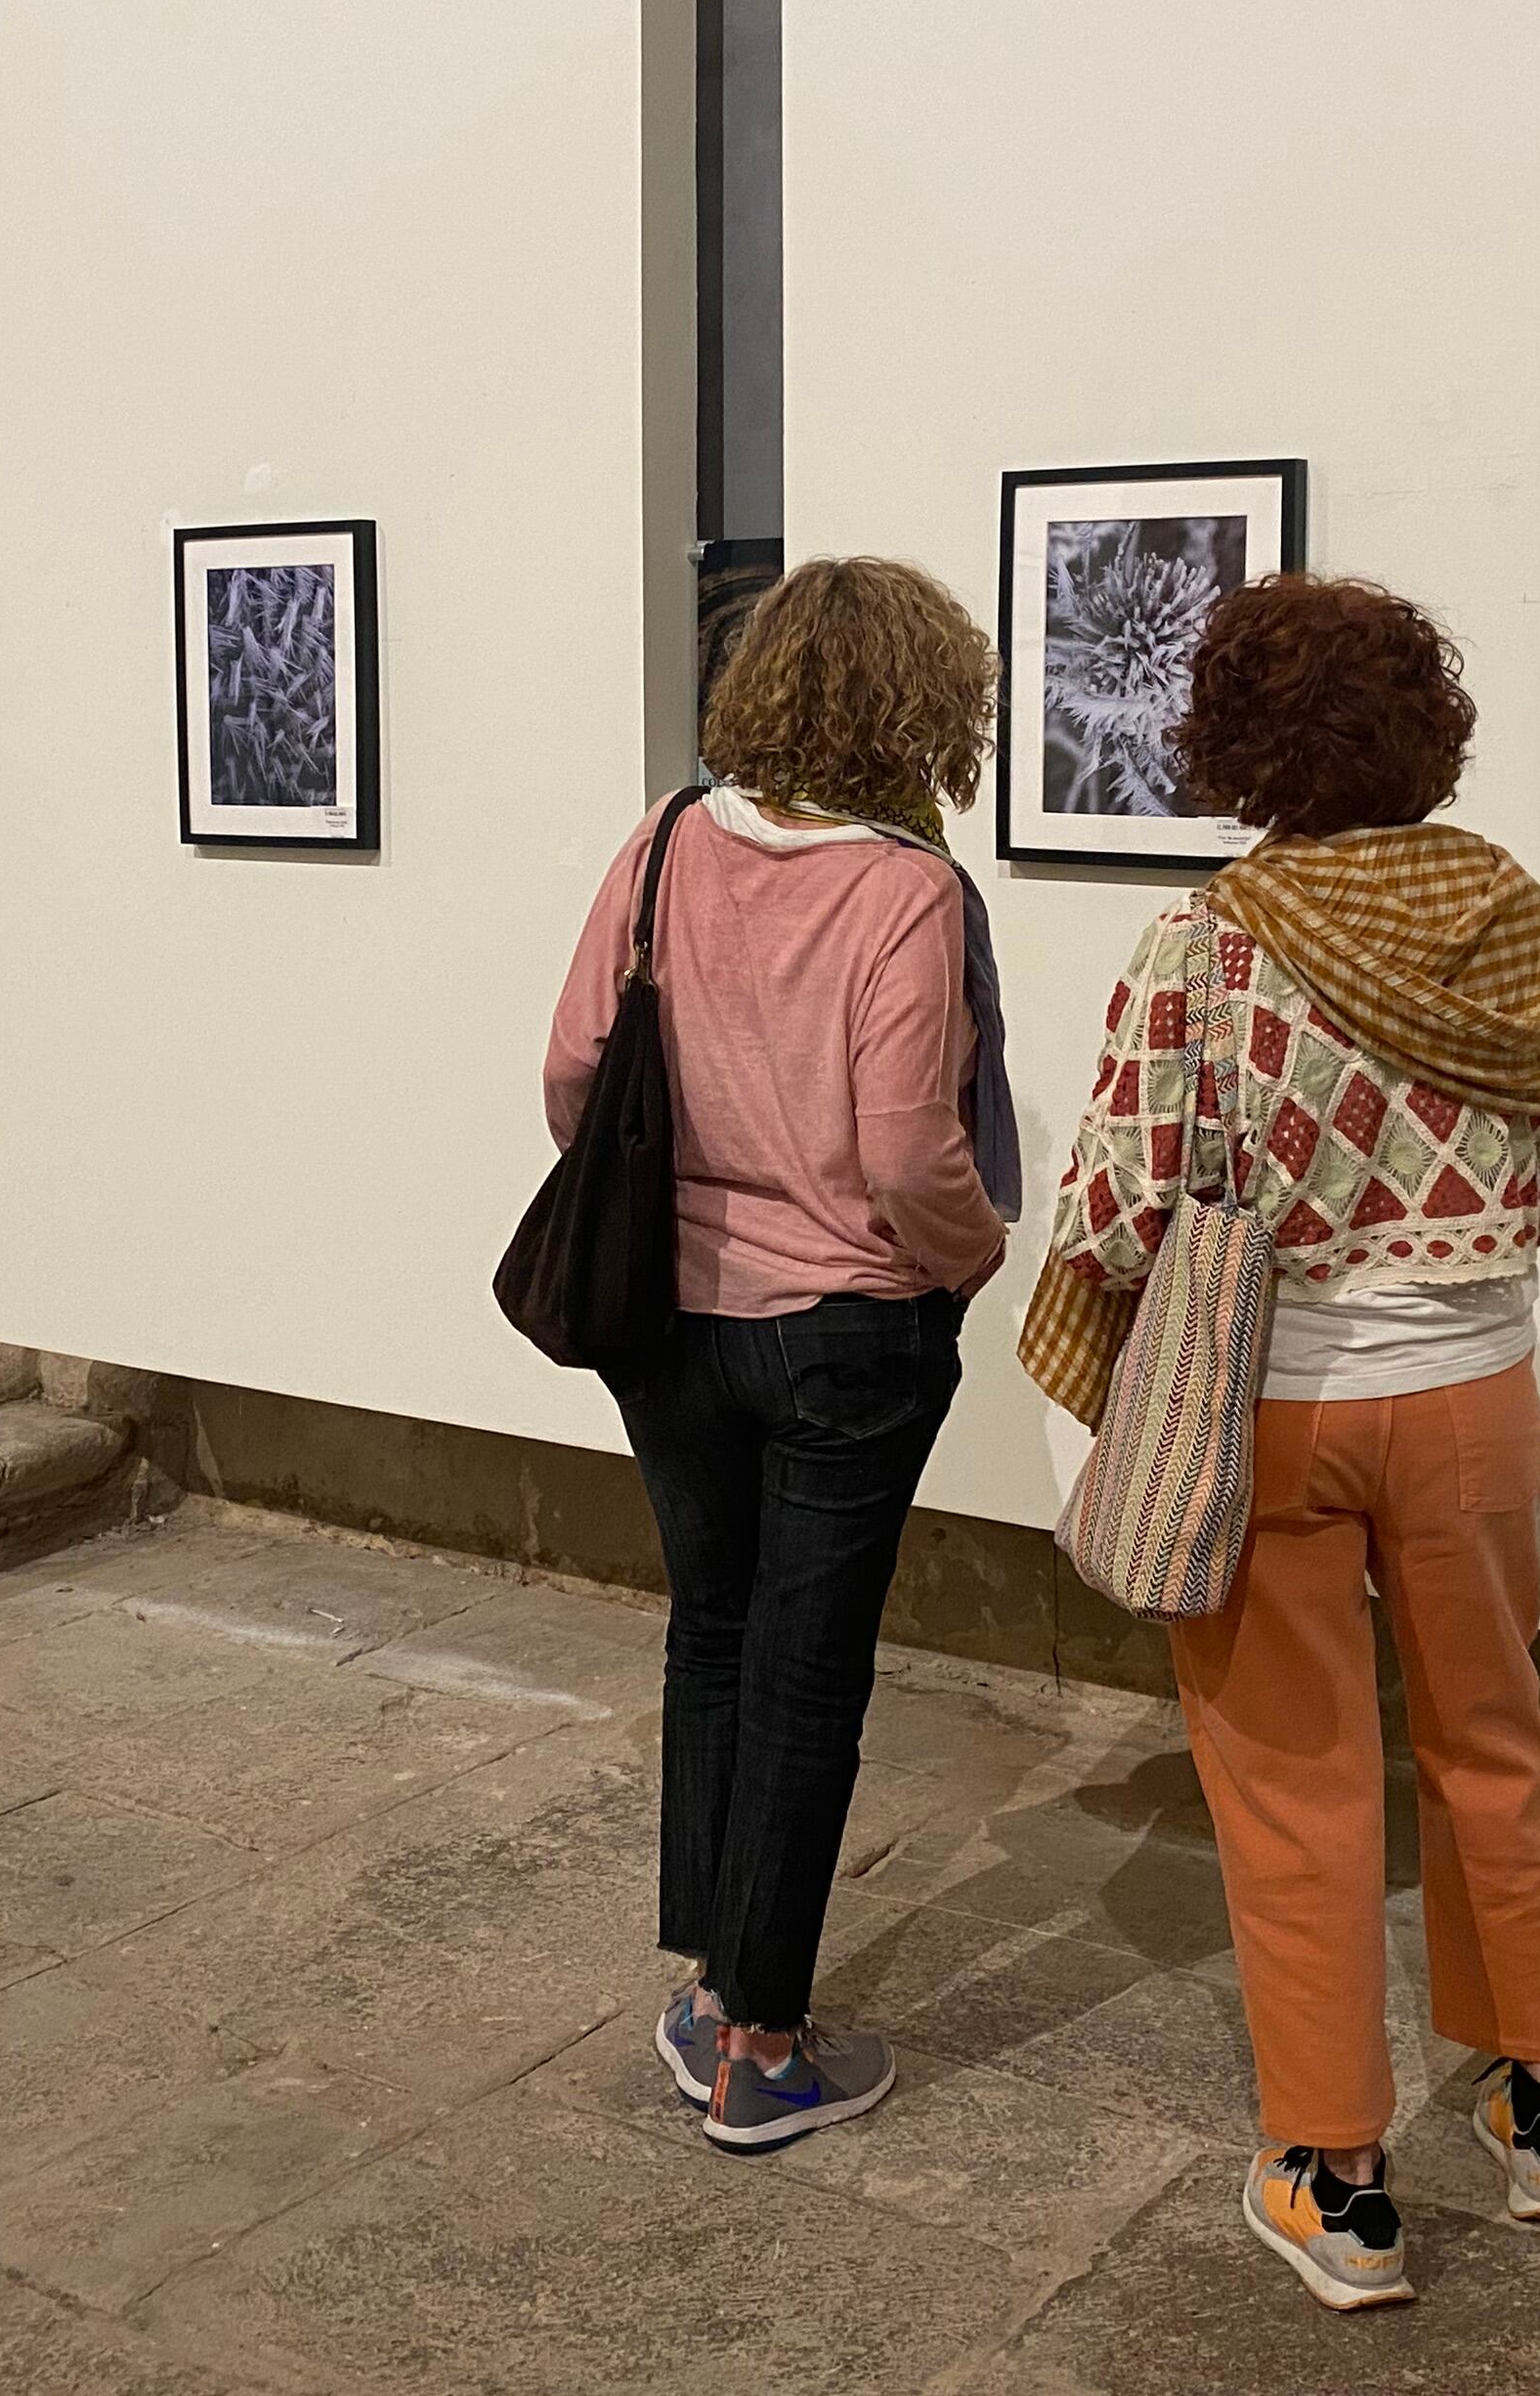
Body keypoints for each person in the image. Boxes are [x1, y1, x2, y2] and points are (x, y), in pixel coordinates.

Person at [1016, 571, 1540, 2312]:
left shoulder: (1211, 939)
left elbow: (1123, 1194)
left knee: (1293, 1785)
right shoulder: (1506, 914)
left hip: (1268, 1409)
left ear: (1237, 746)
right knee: (1496, 1739)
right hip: (1476, 1394)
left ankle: (1338, 2184)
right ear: (1427, 730)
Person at [544, 556, 1018, 2154]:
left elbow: (572, 1075)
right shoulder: (907, 891)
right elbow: (905, 1146)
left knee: (712, 1636)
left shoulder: (669, 841)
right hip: (846, 1334)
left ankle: (704, 1986)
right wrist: (966, 1257)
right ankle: (763, 2043)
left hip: (667, 1320)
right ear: (926, 708)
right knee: (806, 1681)